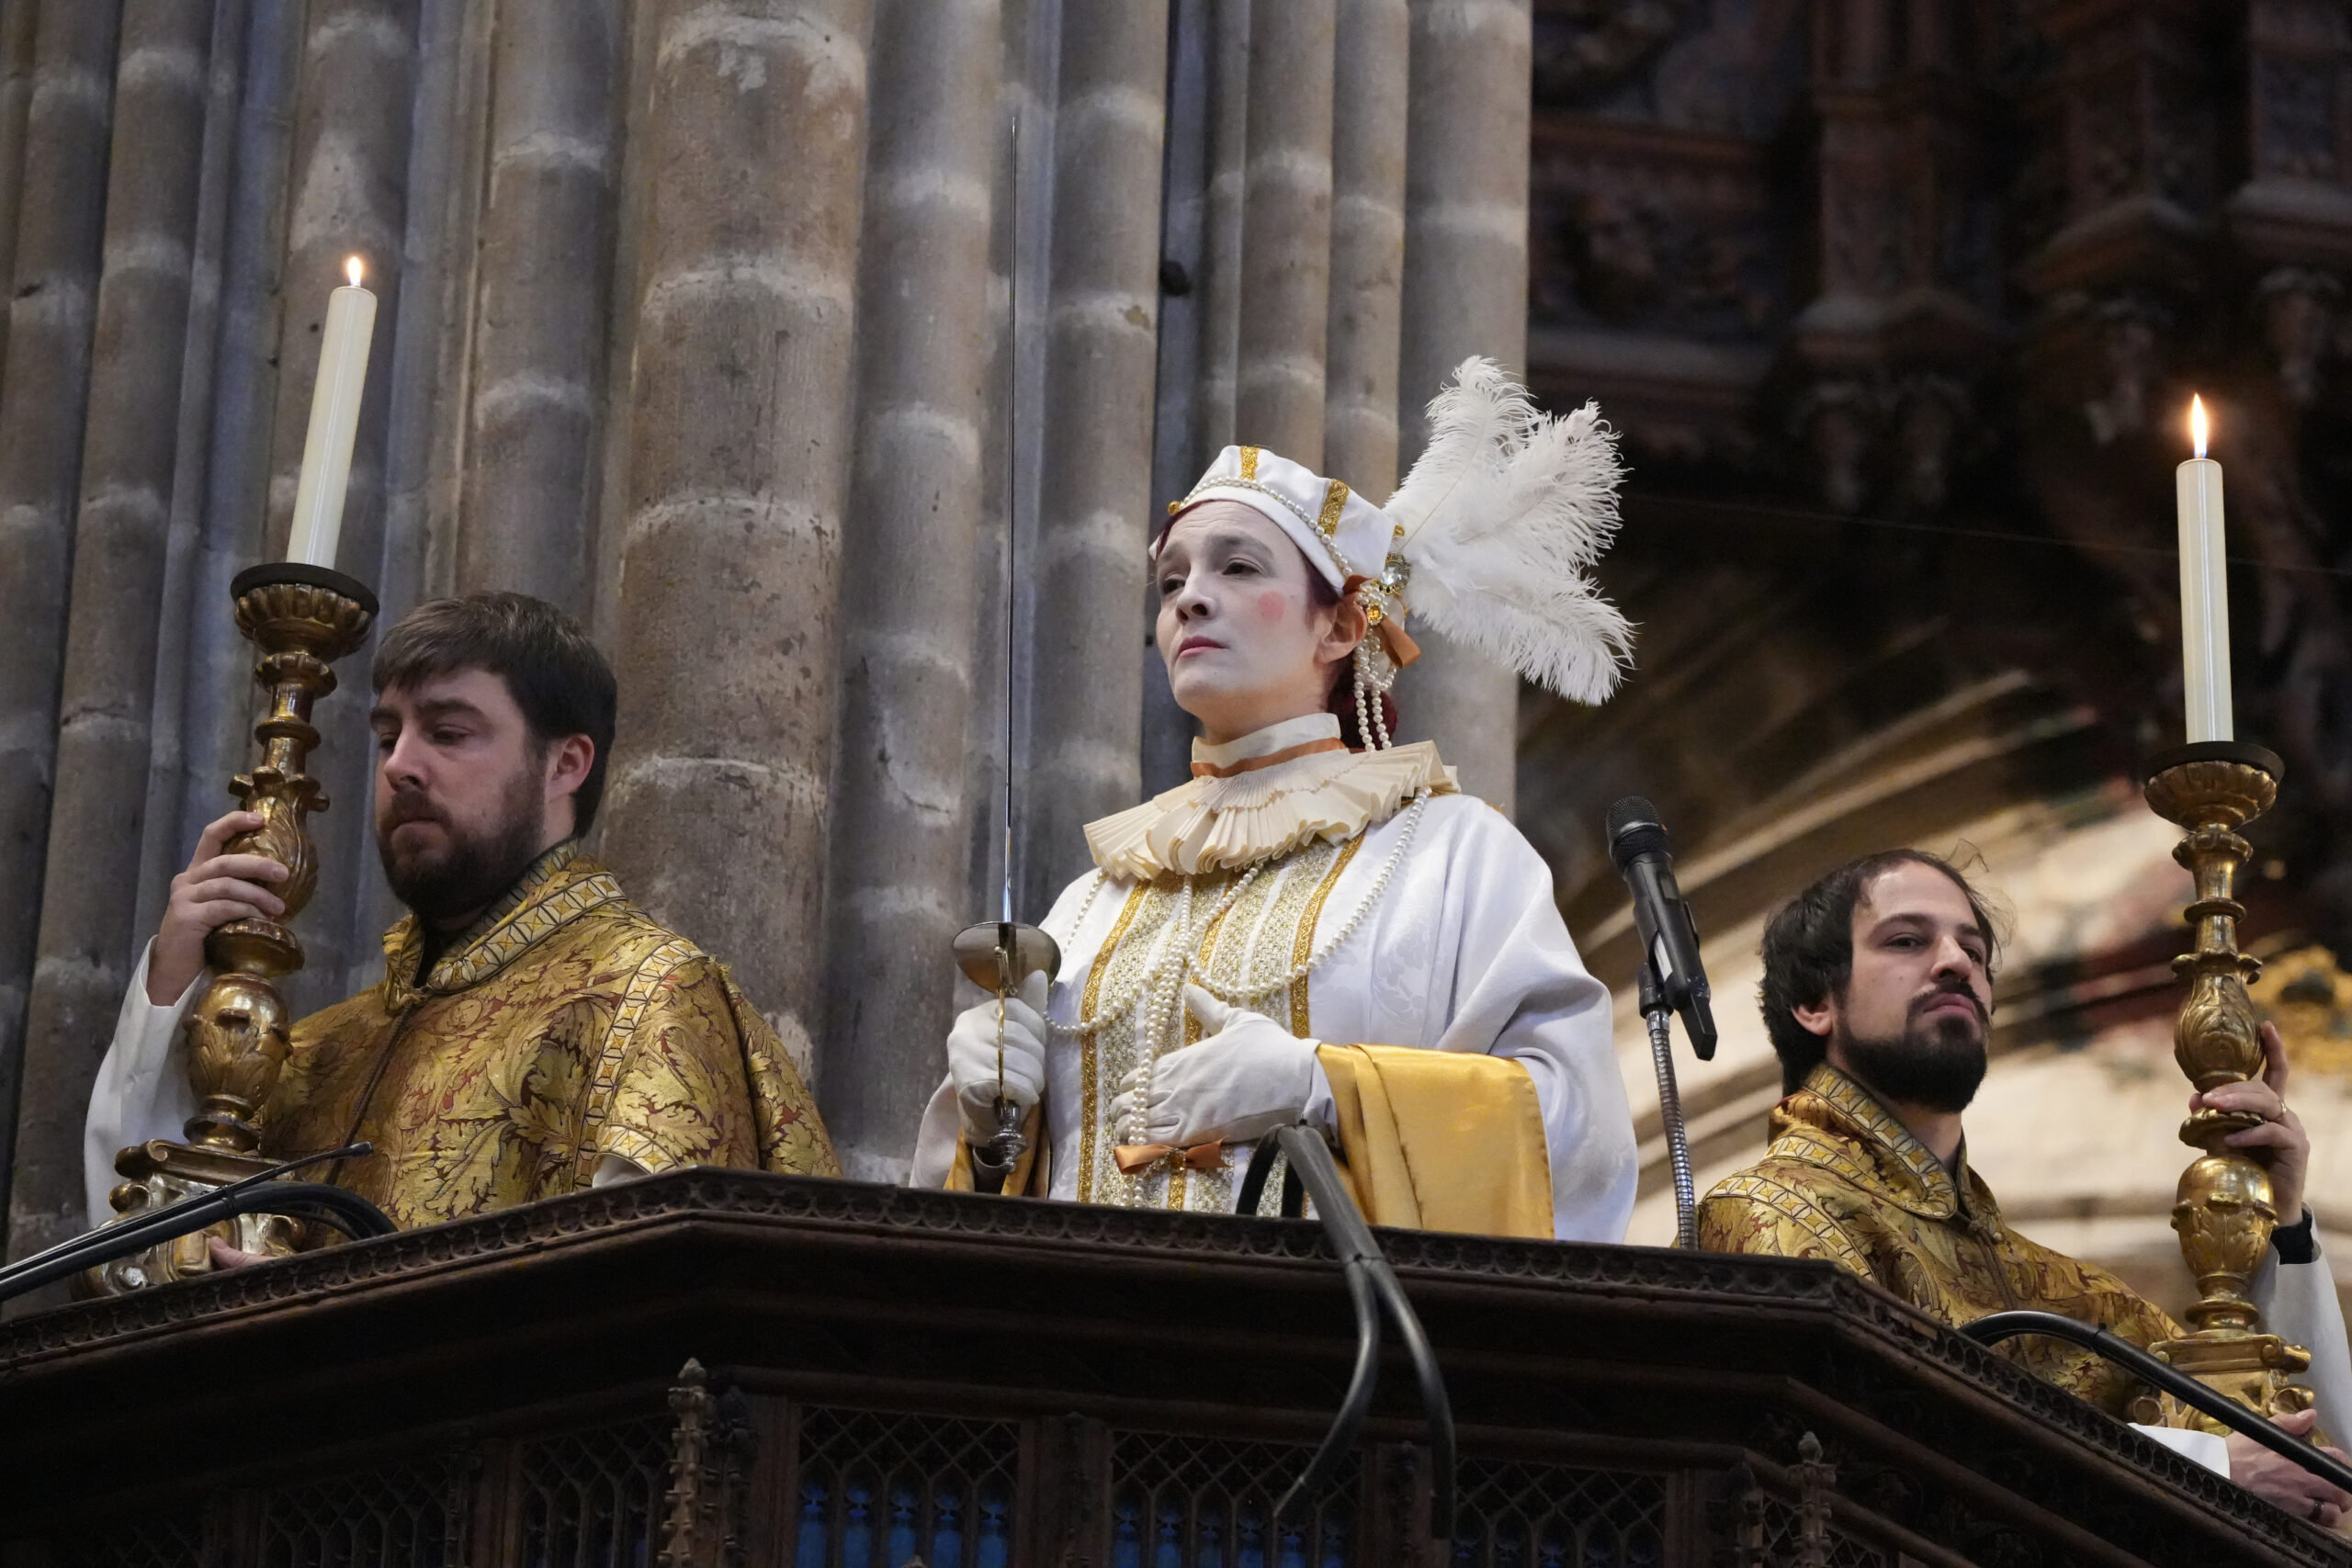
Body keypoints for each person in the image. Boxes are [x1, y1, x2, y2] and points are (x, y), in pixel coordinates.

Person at [910, 359, 1640, 1240]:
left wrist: (1320, 1084)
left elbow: (1575, 1133)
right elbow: (1003, 1205)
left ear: (1340, 625)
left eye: (1238, 566)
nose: (1191, 598)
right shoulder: (1093, 900)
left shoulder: (1454, 857)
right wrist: (990, 1131)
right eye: (1171, 582)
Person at [85, 592, 837, 1257]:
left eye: (448, 733)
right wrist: (173, 982)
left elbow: (650, 1315)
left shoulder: (650, 997)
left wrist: (328, 1328)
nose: (399, 766)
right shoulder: (320, 1050)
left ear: (565, 764)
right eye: (388, 737)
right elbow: (135, 1259)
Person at [1699, 849, 2352, 1524]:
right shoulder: (1770, 1212)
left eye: (1974, 951)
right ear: (1814, 1003)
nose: (1955, 963)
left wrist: (2280, 1219)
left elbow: (2316, 1469)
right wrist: (2207, 1471)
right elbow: (1861, 1457)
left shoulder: (2072, 1295)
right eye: (1906, 941)